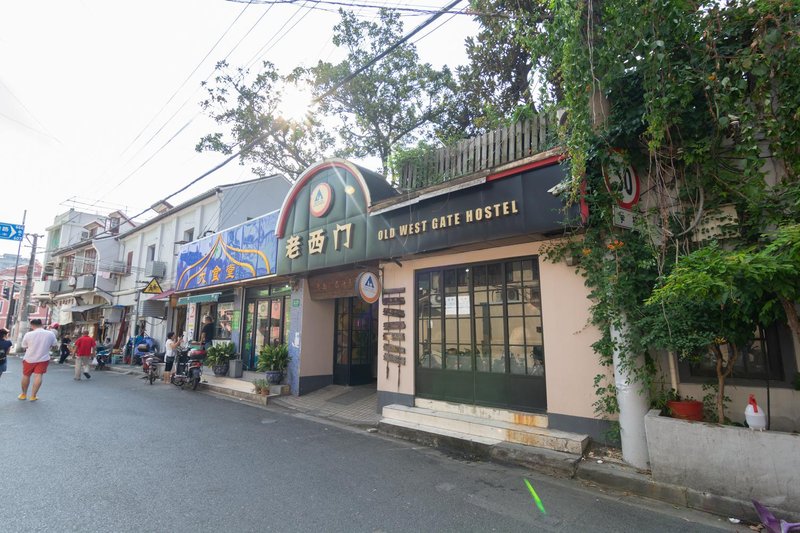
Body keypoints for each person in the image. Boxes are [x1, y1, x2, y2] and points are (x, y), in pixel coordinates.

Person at [19, 318, 58, 401]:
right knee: (38, 375)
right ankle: (33, 396)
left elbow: (24, 346)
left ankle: (23, 394)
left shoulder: (28, 334)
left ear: (32, 325)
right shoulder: (50, 334)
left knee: (26, 375)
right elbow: (54, 345)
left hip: (29, 358)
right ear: (42, 324)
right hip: (43, 358)